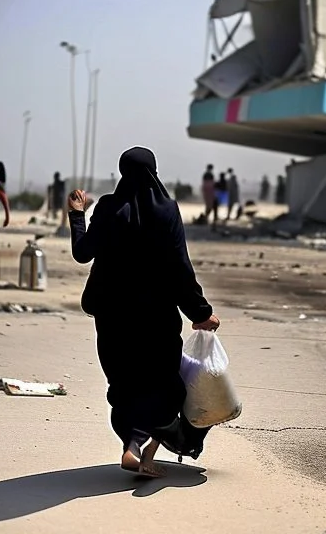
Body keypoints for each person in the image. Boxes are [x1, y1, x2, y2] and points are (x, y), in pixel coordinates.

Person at [67, 146, 221, 478]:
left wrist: (77, 214)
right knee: (164, 386)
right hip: (156, 320)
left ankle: (132, 447)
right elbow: (181, 268)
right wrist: (200, 312)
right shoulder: (166, 210)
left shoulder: (108, 208)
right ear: (154, 172)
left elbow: (82, 253)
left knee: (123, 386)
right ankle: (150, 445)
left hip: (112, 318)